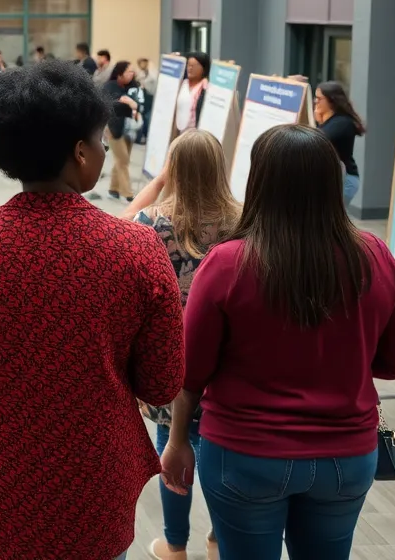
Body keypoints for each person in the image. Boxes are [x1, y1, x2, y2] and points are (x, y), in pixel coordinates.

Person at [0, 60, 185, 560]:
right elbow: (161, 384)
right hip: (94, 485)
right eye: (101, 141)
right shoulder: (138, 251)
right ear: (79, 153)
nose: (104, 150)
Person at [160, 124, 395, 560]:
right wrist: (342, 357)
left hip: (244, 455)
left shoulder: (227, 263)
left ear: (258, 180)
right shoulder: (375, 255)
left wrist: (177, 440)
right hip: (347, 456)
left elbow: (190, 372)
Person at [122, 130, 240, 560]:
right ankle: (218, 539)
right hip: (230, 356)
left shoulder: (152, 223)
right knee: (222, 445)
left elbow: (118, 229)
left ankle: (174, 544)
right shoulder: (244, 219)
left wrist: (157, 182)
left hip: (169, 357)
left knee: (173, 442)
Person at [314, 80, 366, 206]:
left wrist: (317, 122)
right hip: (333, 178)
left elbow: (317, 141)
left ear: (331, 100)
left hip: (344, 179)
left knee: (329, 219)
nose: (315, 101)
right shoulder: (328, 120)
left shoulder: (342, 122)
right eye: (315, 98)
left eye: (319, 98)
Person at [103, 61, 140, 201]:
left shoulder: (134, 87)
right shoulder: (109, 87)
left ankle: (113, 190)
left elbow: (139, 105)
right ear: (119, 74)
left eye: (132, 72)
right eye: (129, 72)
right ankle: (128, 194)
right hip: (113, 129)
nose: (132, 74)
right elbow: (108, 107)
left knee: (121, 160)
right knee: (123, 160)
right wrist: (126, 104)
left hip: (130, 128)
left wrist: (132, 104)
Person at [175, 52, 210, 133]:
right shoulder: (182, 84)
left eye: (194, 66)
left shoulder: (206, 88)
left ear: (204, 68)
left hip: (196, 135)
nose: (190, 68)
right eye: (189, 65)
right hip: (180, 132)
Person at [136, 57, 158, 145]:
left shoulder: (152, 72)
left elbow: (153, 80)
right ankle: (144, 135)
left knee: (149, 117)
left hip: (151, 97)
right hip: (143, 97)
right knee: (144, 117)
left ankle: (149, 136)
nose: (140, 65)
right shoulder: (141, 73)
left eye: (142, 63)